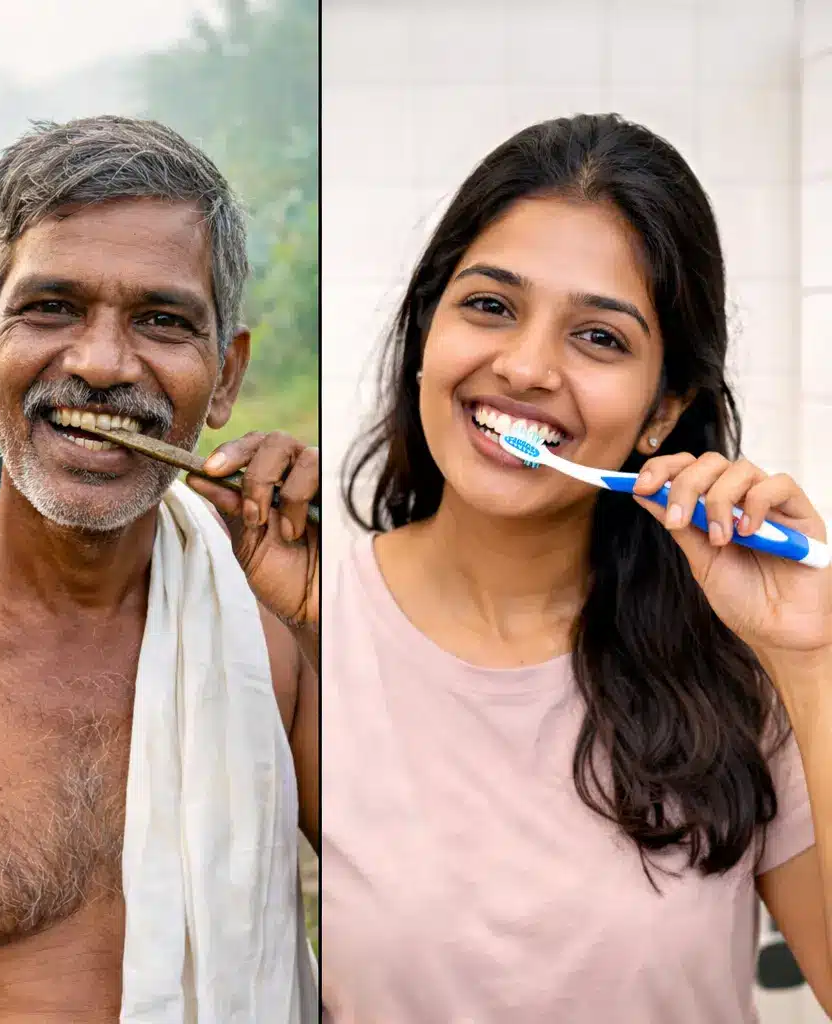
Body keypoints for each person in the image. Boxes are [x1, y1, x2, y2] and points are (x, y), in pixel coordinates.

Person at [322, 113, 832, 1023]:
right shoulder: (309, 630)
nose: (523, 365)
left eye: (599, 337)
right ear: (427, 330)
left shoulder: (743, 665)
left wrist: (810, 661)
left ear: (661, 411)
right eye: (489, 305)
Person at [0, 116, 318, 1023]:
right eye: (51, 307)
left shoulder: (278, 629)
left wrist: (340, 622)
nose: (101, 364)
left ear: (227, 375)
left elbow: (449, 912)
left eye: (162, 320)